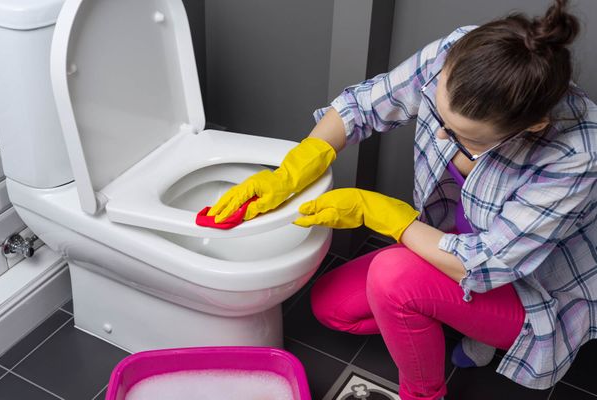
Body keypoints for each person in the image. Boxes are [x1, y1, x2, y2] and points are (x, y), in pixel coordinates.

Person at [207, 1, 597, 399]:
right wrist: (294, 168)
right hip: (448, 244)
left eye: (465, 137)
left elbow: (487, 264)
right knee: (332, 307)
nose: (442, 137)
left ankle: (424, 393)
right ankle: (451, 317)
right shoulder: (460, 53)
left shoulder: (576, 155)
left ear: (532, 126)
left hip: (528, 287)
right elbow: (362, 107)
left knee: (393, 278)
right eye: (440, 118)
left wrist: (382, 213)